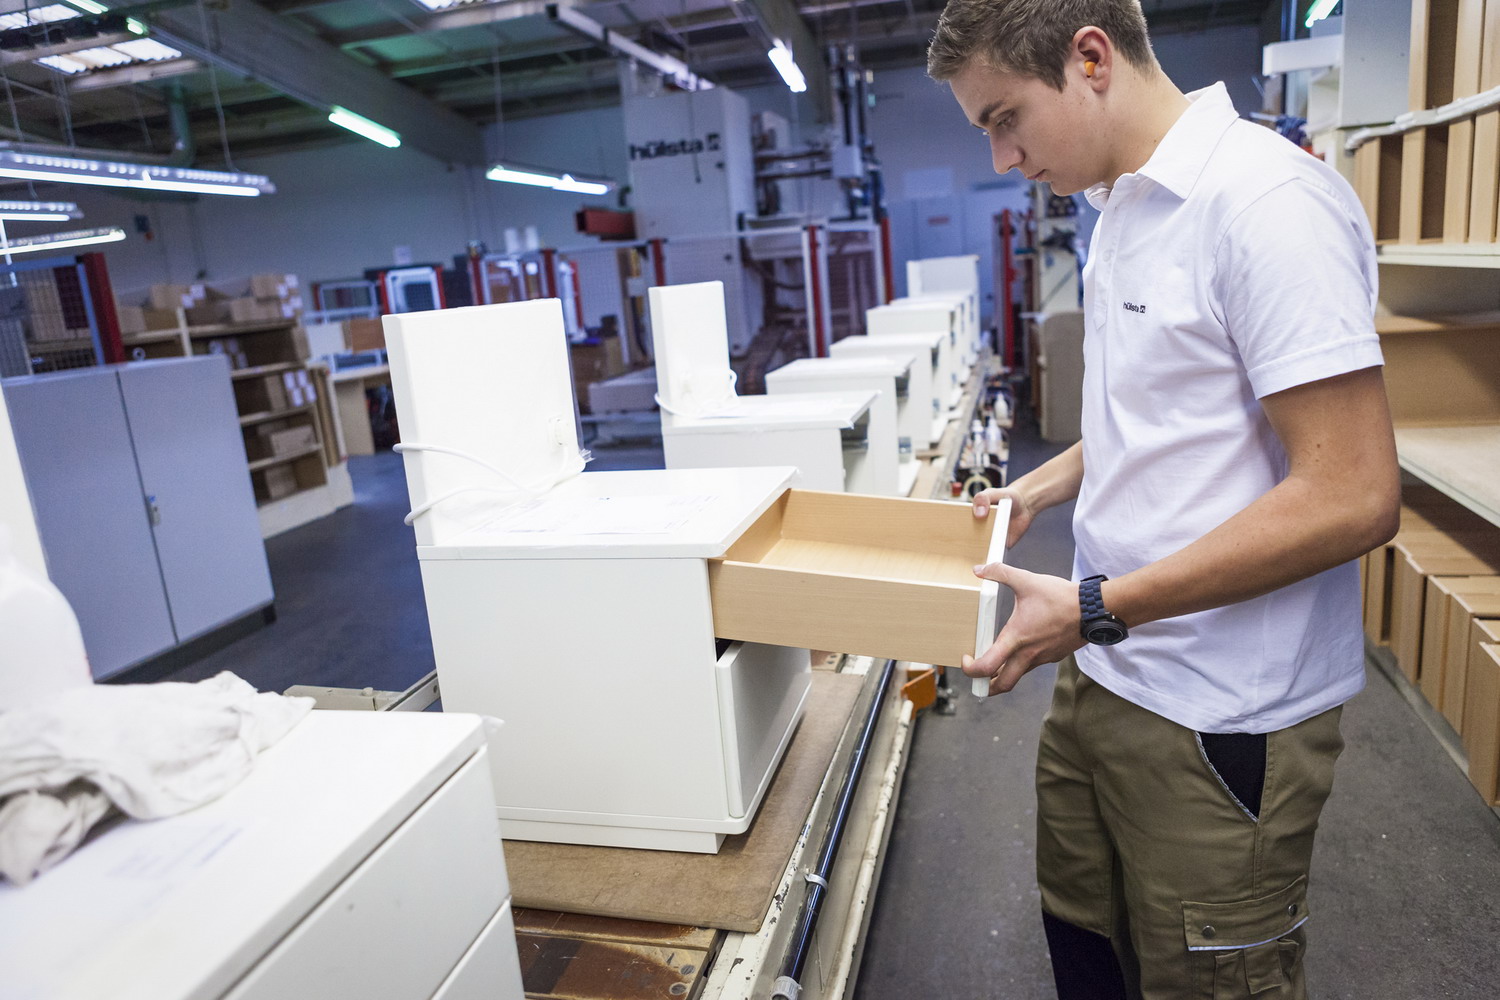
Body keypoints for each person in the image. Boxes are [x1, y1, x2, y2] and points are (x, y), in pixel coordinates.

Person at [926, 2, 1401, 997]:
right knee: (1086, 941)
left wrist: (1097, 606)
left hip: (1220, 710)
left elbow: (1353, 494)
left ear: (1090, 59)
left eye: (1005, 119)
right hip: (1108, 671)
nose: (1004, 158)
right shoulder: (1122, 208)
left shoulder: (1265, 204)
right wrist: (1042, 485)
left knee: (1206, 975)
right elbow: (1166, 412)